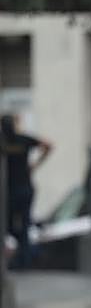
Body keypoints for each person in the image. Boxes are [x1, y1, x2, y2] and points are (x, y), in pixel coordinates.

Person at [1, 114, 52, 269]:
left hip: (10, 190)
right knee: (23, 224)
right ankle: (25, 256)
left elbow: (48, 145)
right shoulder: (23, 140)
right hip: (24, 188)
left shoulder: (3, 142)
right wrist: (35, 165)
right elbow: (48, 145)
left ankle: (23, 257)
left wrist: (35, 165)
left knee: (8, 224)